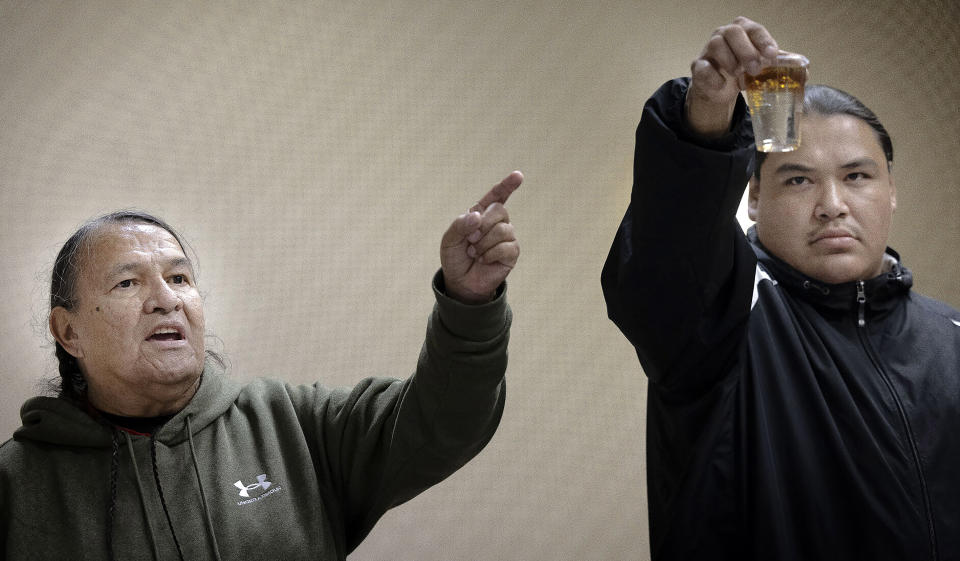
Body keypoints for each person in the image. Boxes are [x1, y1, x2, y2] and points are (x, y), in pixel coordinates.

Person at [0, 171, 522, 560]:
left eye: (180, 279)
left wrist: (470, 302)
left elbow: (445, 419)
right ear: (69, 332)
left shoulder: (294, 424)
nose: (167, 300)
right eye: (128, 283)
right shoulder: (16, 484)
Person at [602, 16, 960, 561]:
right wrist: (705, 123)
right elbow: (669, 260)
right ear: (753, 198)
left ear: (891, 192)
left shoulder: (951, 336)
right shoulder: (724, 320)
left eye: (857, 177)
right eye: (798, 179)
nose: (832, 204)